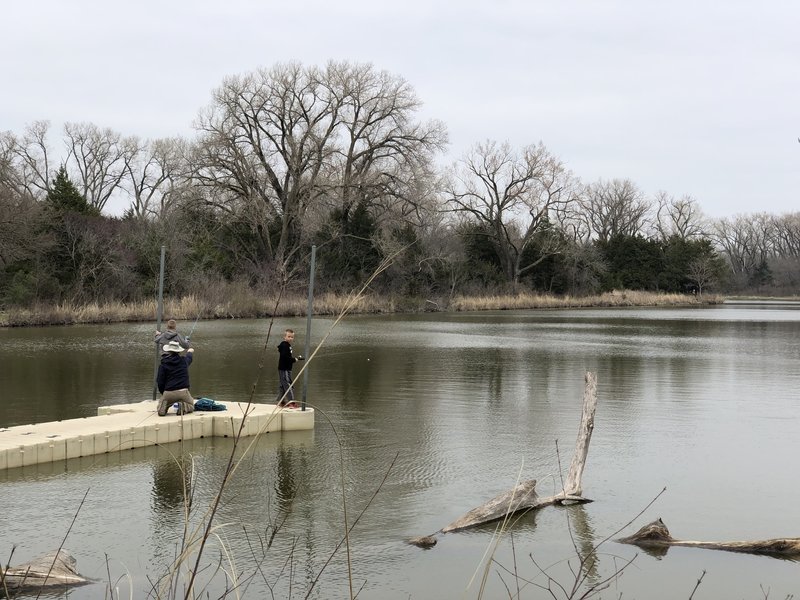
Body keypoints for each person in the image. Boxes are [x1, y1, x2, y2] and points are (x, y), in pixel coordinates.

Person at [156, 340, 195, 416]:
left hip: (168, 392)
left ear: (168, 351)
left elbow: (160, 381)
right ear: (178, 351)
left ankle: (163, 407)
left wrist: (163, 393)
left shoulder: (163, 365)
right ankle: (184, 407)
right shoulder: (184, 361)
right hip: (183, 392)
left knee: (163, 402)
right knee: (191, 405)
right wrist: (190, 351)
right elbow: (189, 358)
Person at [276, 328, 304, 407]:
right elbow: (285, 357)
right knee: (288, 385)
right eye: (289, 336)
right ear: (284, 337)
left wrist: (296, 358)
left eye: (292, 337)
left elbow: (279, 348)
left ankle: (281, 402)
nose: (290, 338)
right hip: (284, 369)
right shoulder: (285, 345)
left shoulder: (285, 345)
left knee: (283, 385)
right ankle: (291, 402)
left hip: (286, 368)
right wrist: (294, 359)